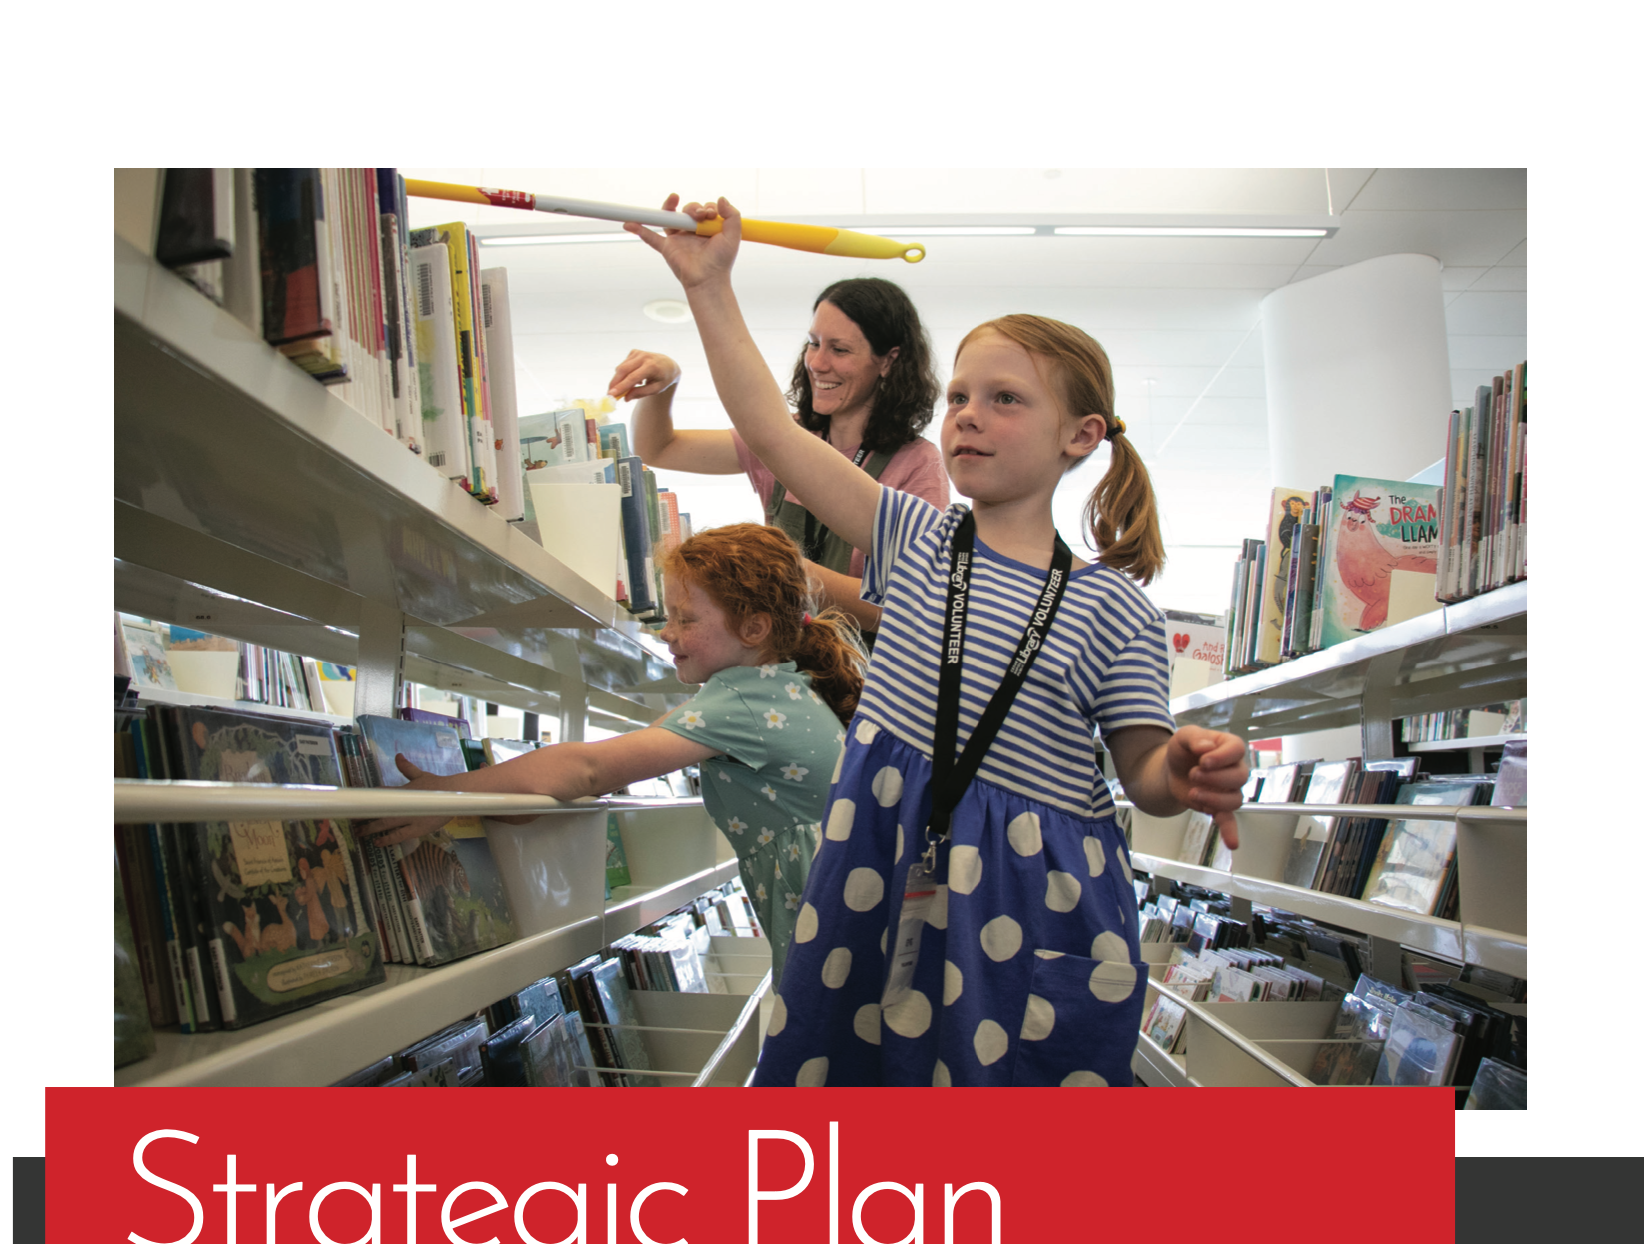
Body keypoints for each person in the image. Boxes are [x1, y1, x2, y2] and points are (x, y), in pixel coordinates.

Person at [625, 196, 1249, 1088]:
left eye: (1004, 400)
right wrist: (710, 287)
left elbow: (1145, 772)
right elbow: (770, 426)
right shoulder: (915, 539)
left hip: (1038, 900)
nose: (966, 415)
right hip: (883, 870)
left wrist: (1184, 770)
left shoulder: (1116, 607)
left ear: (1081, 437)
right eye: (959, 395)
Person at [359, 524, 866, 985]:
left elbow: (587, 768)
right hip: (845, 911)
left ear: (754, 629)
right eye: (669, 616)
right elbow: (601, 770)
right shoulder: (772, 689)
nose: (667, 632)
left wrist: (448, 794)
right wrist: (498, 803)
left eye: (686, 618)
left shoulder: (741, 700)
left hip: (832, 928)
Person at [607, 277, 948, 633]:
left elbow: (912, 605)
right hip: (785, 672)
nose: (817, 362)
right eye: (813, 344)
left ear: (889, 361)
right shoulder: (787, 439)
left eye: (840, 350)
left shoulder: (918, 464)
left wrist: (785, 570)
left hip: (862, 676)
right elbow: (657, 448)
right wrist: (666, 385)